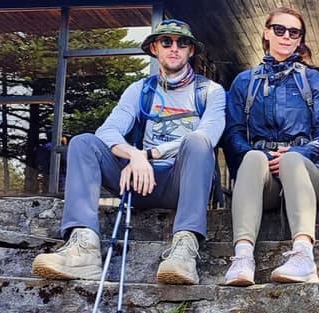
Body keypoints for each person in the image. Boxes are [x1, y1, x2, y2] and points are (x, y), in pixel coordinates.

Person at [31, 19, 226, 285]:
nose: (174, 48)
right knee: (83, 142)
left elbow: (209, 134)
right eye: (166, 42)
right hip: (139, 181)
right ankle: (83, 249)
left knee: (197, 142)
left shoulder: (210, 91)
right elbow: (107, 130)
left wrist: (150, 154)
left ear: (191, 50)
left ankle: (184, 250)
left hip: (181, 184)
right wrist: (134, 155)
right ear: (155, 48)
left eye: (182, 43)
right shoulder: (139, 90)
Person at [222, 6, 319, 286]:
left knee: (292, 160)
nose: (286, 36)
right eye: (279, 29)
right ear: (266, 33)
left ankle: (304, 256)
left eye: (294, 32)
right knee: (252, 158)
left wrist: (296, 153)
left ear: (300, 39)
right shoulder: (245, 81)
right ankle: (243, 258)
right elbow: (233, 134)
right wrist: (260, 155)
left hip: (307, 175)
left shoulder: (313, 80)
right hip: (265, 182)